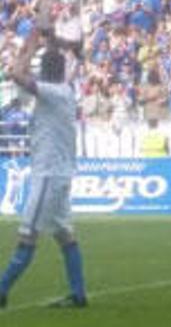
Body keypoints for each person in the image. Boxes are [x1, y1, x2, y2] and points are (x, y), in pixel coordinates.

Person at [0, 29, 86, 308]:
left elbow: (15, 74)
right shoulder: (64, 91)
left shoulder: (51, 92)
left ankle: (1, 290)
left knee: (27, 235)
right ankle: (78, 294)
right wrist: (47, 40)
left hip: (48, 173)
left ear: (45, 72)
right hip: (59, 173)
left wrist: (30, 43)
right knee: (64, 235)